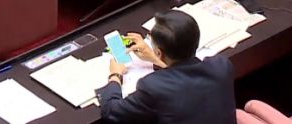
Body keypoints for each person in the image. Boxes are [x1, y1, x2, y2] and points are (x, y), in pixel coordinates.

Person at [96, 10, 236, 123]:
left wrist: (115, 75)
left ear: (159, 52)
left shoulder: (153, 86)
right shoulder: (221, 66)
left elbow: (111, 111)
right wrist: (156, 59)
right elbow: (185, 76)